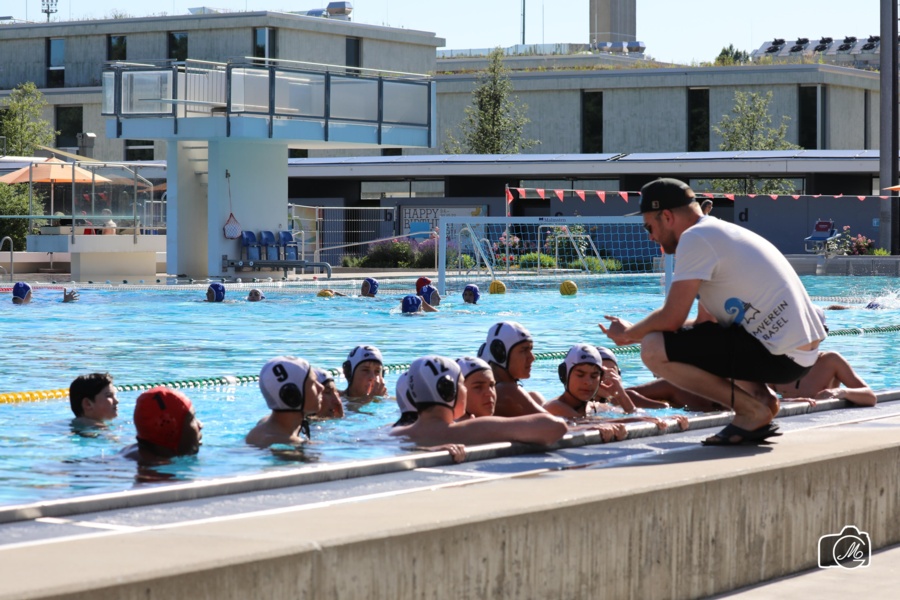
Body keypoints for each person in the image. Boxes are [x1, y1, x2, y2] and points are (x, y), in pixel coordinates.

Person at [601, 178, 827, 446]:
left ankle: (750, 410)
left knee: (652, 347)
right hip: (798, 355)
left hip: (781, 355)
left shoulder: (694, 238)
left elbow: (671, 319)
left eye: (649, 227)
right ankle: (761, 400)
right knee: (700, 333)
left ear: (667, 216)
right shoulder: (718, 232)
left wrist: (629, 334)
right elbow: (703, 324)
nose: (650, 237)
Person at [390, 355, 568, 447]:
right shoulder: (471, 429)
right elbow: (556, 427)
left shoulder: (395, 433)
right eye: (462, 384)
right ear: (449, 390)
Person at [246, 356, 324, 448]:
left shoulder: (267, 424)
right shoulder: (283, 445)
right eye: (313, 383)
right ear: (292, 395)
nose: (321, 387)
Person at [477, 321, 548, 417]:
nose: (532, 358)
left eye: (530, 350)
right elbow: (555, 423)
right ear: (500, 354)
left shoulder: (503, 391)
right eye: (524, 350)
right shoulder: (506, 392)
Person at [121, 386, 203, 464]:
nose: (200, 425)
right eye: (192, 418)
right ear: (170, 430)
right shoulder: (156, 471)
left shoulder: (131, 454)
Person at [770, 351, 877, 407]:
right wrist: (789, 401)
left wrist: (840, 392)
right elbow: (761, 400)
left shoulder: (831, 360)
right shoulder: (775, 363)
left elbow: (870, 397)